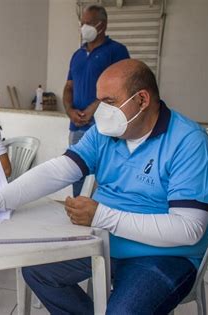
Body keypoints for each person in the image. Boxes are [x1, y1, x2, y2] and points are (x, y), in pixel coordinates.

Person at [0, 59, 208, 314]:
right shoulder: (106, 133)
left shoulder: (188, 142)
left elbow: (188, 229)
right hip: (104, 240)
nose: (101, 111)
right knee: (37, 271)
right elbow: (58, 170)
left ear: (142, 99)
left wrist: (102, 216)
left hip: (163, 255)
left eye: (110, 102)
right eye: (99, 101)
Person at [63, 4, 129, 196]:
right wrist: (69, 110)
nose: (84, 27)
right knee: (75, 170)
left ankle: (102, 214)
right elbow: (68, 87)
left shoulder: (116, 51)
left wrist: (94, 108)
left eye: (89, 23)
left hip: (106, 126)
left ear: (103, 25)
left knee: (104, 172)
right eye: (82, 23)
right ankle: (77, 208)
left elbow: (122, 87)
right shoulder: (77, 55)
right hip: (76, 127)